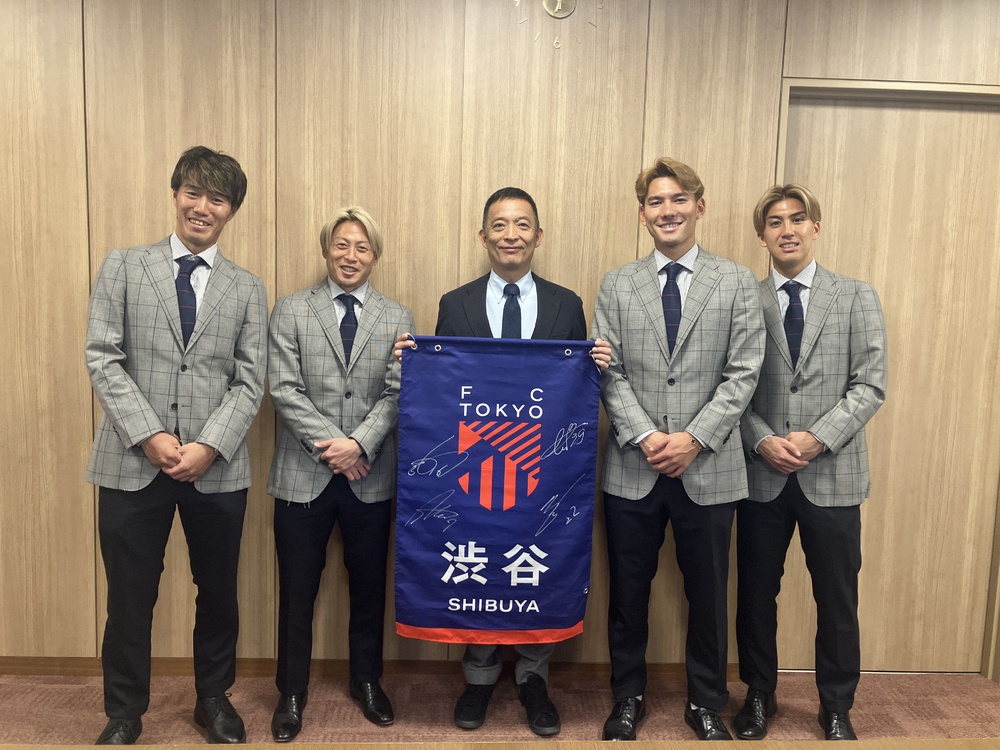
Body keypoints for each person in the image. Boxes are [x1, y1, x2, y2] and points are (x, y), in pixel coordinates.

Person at [395, 187, 610, 737]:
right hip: (476, 465)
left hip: (542, 466)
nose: (510, 234)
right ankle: (480, 678)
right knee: (478, 555)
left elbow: (571, 387)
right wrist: (414, 360)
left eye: (521, 224)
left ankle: (534, 679)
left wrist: (598, 361)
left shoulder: (566, 304)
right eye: (499, 224)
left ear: (538, 236)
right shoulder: (456, 303)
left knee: (536, 558)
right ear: (483, 235)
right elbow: (445, 386)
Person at [84, 146, 267, 745]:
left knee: (218, 592)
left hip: (216, 468)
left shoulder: (247, 287)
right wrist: (151, 435)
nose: (202, 207)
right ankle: (124, 711)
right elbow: (103, 357)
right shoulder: (124, 266)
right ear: (175, 195)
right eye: (193, 192)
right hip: (131, 461)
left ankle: (213, 699)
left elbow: (251, 379)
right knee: (129, 595)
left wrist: (209, 445)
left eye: (217, 198)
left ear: (231, 210)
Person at [594, 157, 764, 741]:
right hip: (633, 465)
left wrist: (694, 438)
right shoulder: (617, 284)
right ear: (642, 215)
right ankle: (627, 696)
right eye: (655, 202)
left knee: (709, 594)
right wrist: (646, 435)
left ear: (699, 206)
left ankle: (706, 701)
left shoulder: (737, 281)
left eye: (678, 200)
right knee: (628, 592)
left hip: (709, 465)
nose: (667, 211)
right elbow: (608, 371)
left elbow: (744, 372)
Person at [734, 184, 887, 741]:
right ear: (762, 236)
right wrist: (761, 440)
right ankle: (758, 695)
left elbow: (870, 386)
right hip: (762, 474)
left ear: (815, 227)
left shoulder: (856, 296)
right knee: (755, 594)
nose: (788, 230)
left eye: (797, 219)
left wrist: (818, 438)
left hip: (834, 474)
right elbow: (729, 387)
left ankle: (837, 705)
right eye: (775, 222)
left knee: (837, 597)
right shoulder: (743, 300)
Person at [267, 207, 413, 741]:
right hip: (301, 476)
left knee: (369, 588)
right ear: (326, 249)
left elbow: (398, 391)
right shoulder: (291, 310)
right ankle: (291, 691)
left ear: (375, 256)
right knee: (296, 591)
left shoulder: (397, 316)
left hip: (369, 477)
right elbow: (283, 389)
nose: (351, 256)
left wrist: (359, 444)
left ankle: (366, 681)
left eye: (362, 247)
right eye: (342, 245)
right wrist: (337, 448)